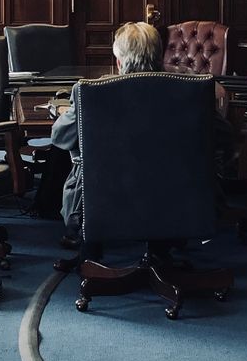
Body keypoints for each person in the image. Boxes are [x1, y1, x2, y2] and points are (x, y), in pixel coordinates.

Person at [52, 22, 164, 249]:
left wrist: (69, 113)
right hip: (174, 197)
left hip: (102, 198)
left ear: (119, 61)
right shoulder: (189, 89)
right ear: (159, 55)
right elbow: (223, 140)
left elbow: (60, 137)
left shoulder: (90, 91)